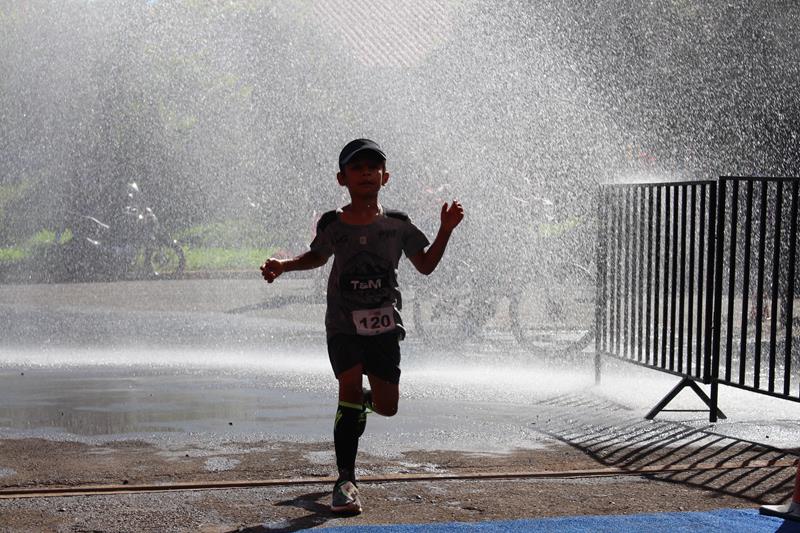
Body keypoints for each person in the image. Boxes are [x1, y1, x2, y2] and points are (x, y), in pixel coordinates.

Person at [260, 138, 464, 514]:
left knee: (387, 406)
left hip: (385, 328)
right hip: (343, 325)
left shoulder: (398, 225)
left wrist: (446, 230)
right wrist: (283, 265)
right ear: (342, 178)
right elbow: (317, 256)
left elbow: (426, 265)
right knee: (348, 386)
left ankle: (363, 406)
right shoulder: (333, 224)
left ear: (385, 176)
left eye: (374, 167)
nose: (366, 172)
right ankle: (345, 480)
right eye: (357, 168)